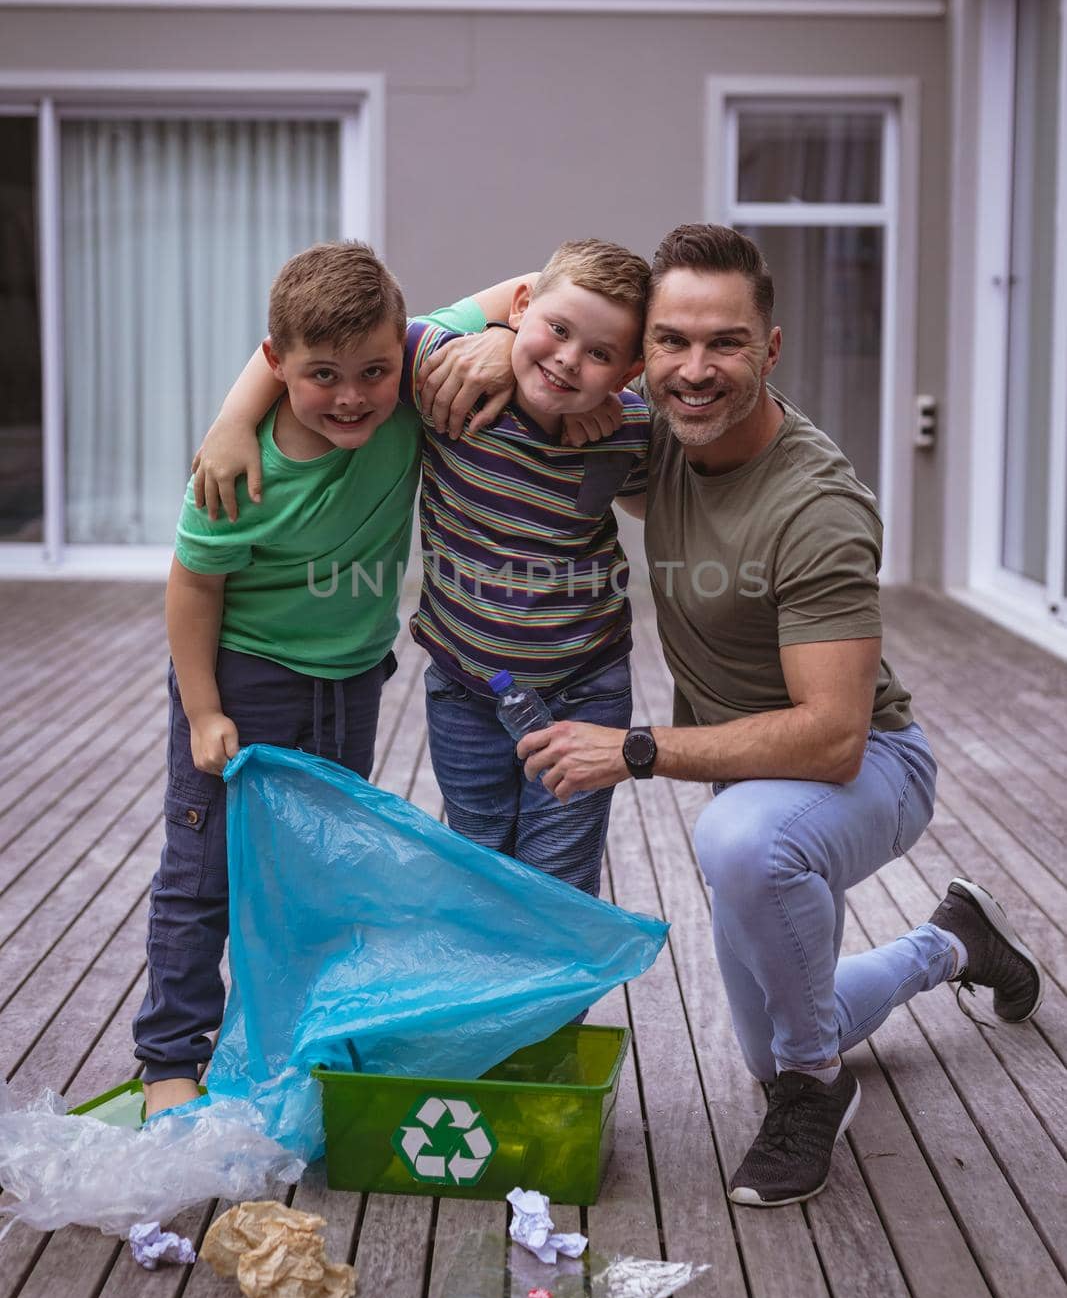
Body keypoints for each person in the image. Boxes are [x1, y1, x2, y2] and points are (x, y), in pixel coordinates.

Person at [431, 223, 1045, 1207]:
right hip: (752, 780)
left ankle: (810, 1090)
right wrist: (489, 340)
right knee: (777, 1014)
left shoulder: (814, 504)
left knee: (741, 842)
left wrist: (633, 749)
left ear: (768, 348)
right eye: (670, 342)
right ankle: (951, 942)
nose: (693, 368)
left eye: (723, 342)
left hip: (867, 767)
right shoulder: (660, 433)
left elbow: (833, 735)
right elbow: (553, 328)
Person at [134, 241, 488, 1115]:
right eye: (320, 374)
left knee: (325, 870)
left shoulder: (404, 384)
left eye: (373, 370)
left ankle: (304, 1041)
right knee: (203, 873)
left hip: (351, 681)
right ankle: (171, 1058)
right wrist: (204, 708)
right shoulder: (236, 470)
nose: (352, 396)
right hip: (242, 681)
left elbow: (530, 289)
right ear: (276, 367)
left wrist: (496, 346)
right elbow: (193, 586)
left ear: (400, 349)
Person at [193, 240, 650, 902]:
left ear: (627, 371)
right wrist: (235, 418)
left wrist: (606, 403)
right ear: (523, 308)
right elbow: (314, 340)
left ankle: (554, 1012)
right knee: (478, 864)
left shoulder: (629, 427)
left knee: (560, 882)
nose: (568, 359)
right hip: (468, 688)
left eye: (600, 355)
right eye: (556, 331)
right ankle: (490, 1009)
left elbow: (650, 494)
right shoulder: (438, 371)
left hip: (584, 685)